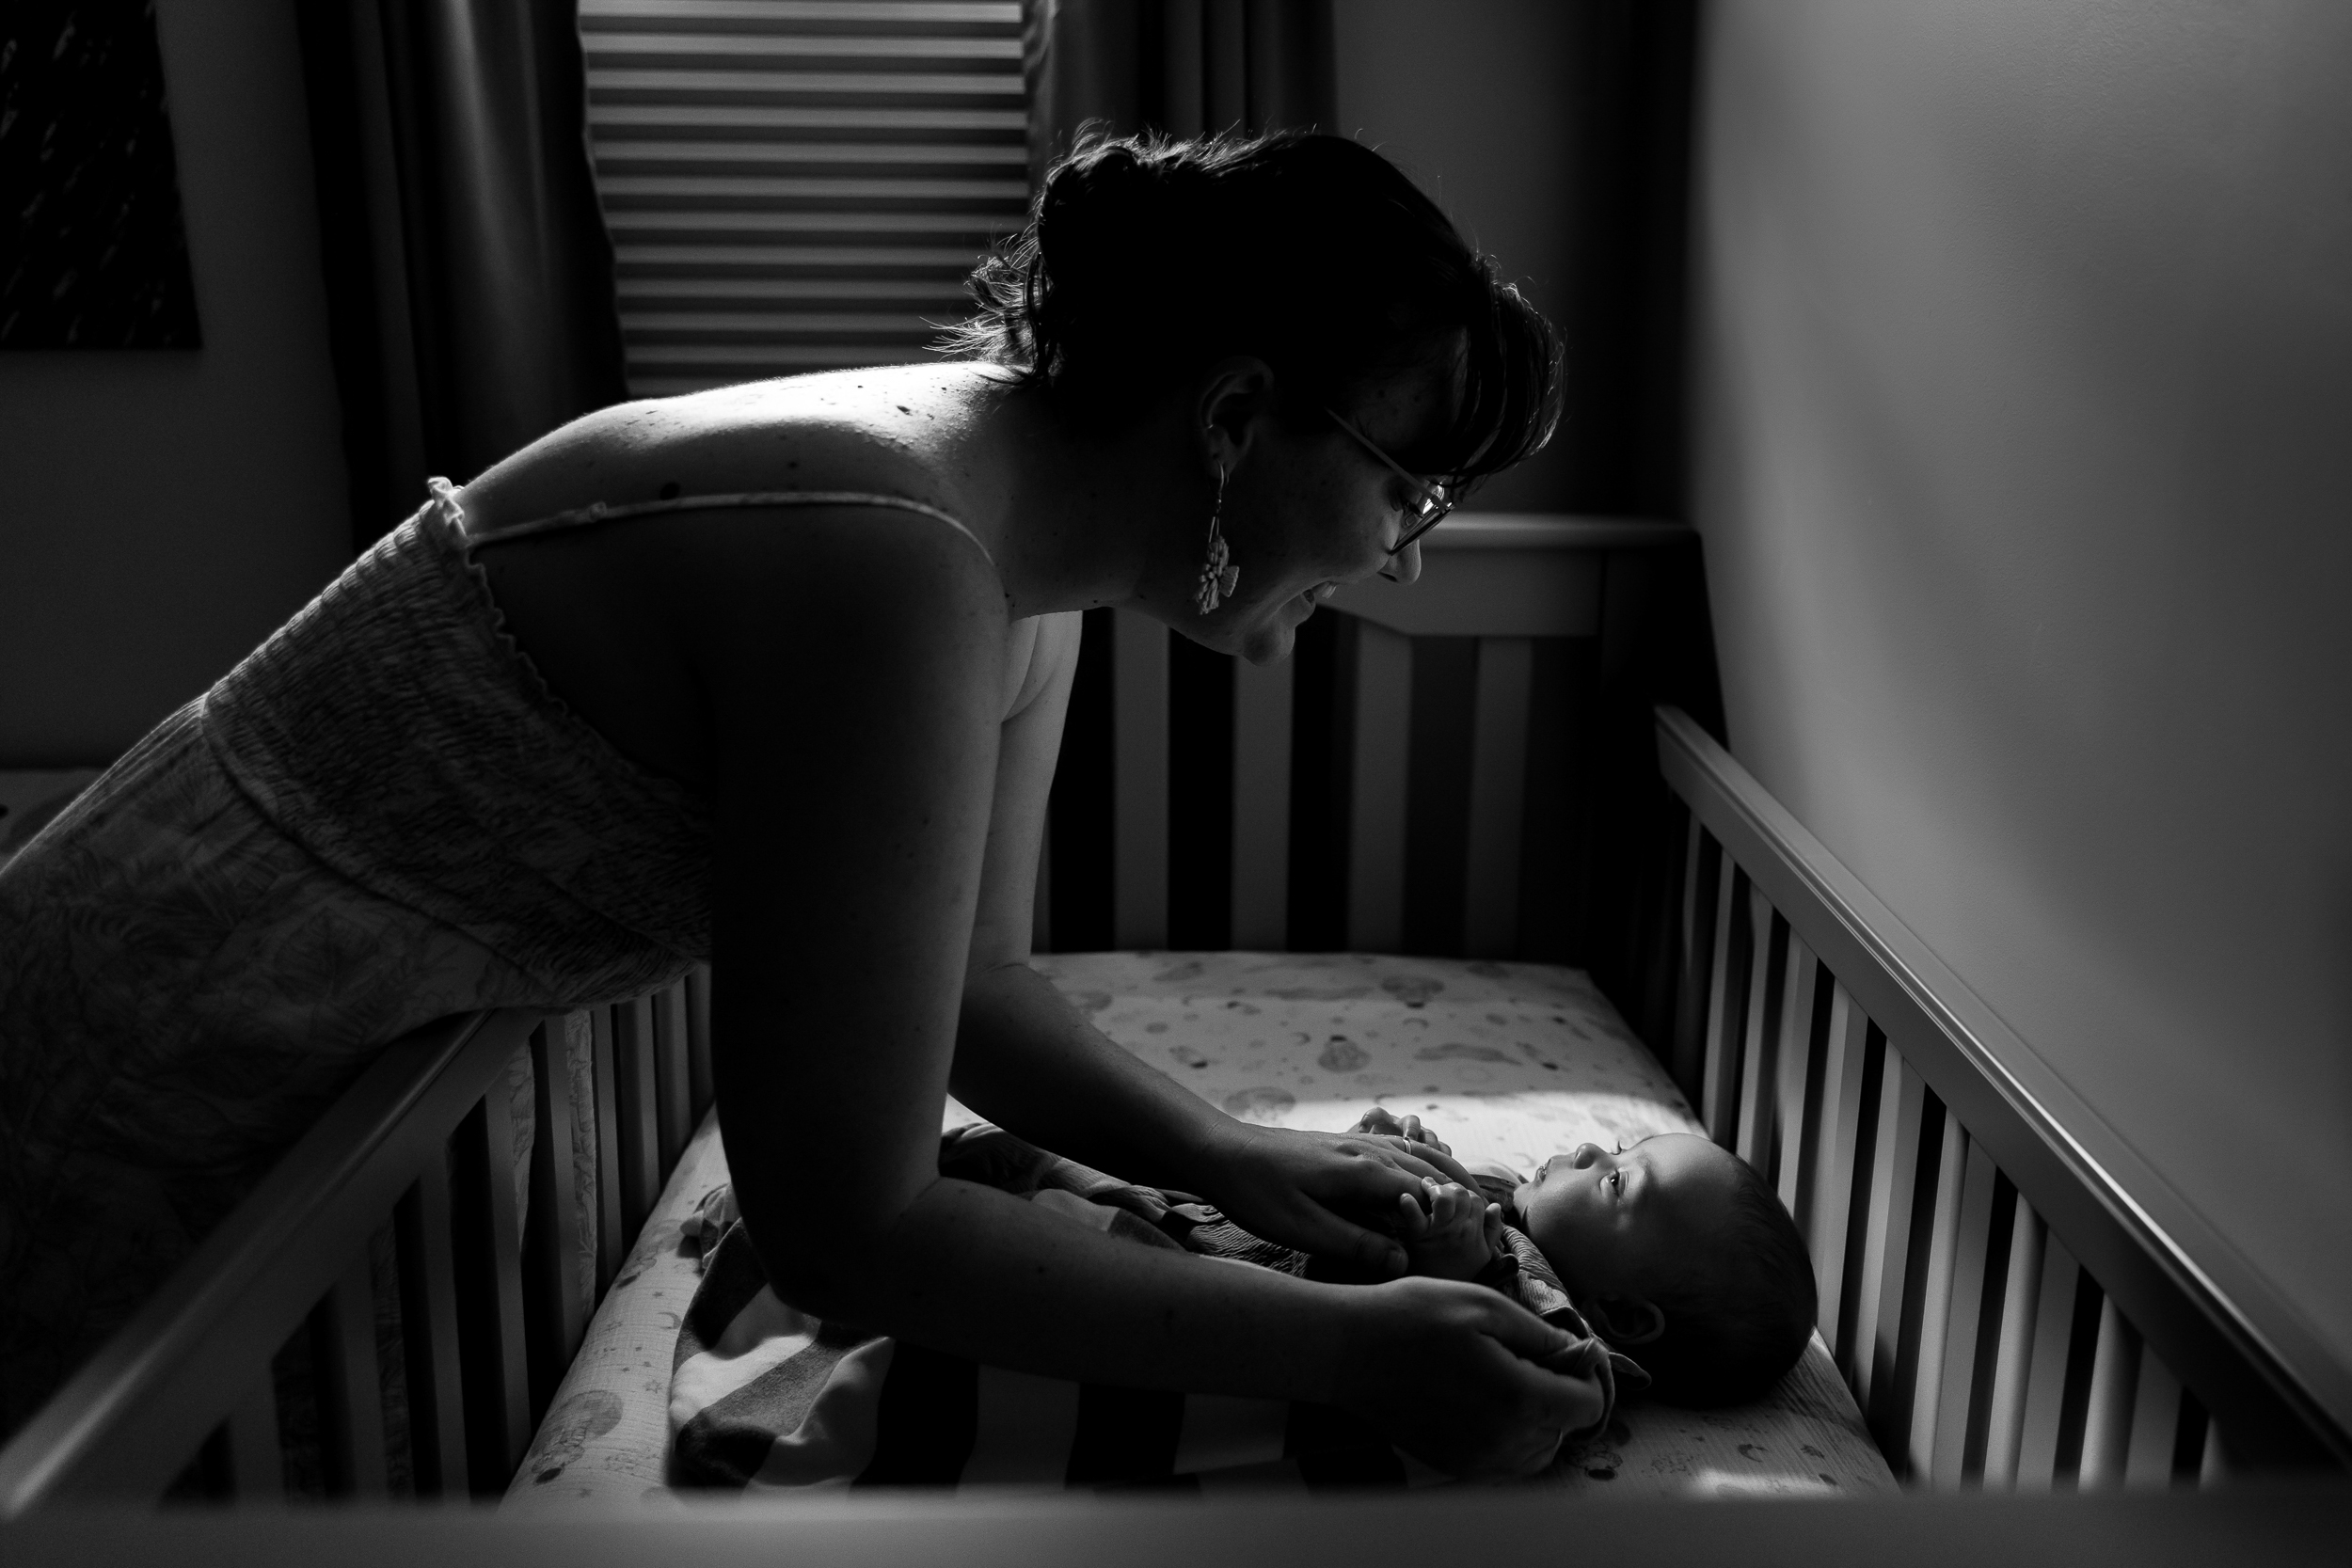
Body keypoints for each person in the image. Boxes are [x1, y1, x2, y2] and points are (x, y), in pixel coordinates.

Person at [0, 128, 1584, 1473]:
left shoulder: (1014, 571)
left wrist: (1227, 1151)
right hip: (185, 1027)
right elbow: (848, 1224)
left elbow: (973, 988)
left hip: (329, 1026)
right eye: (1408, 483)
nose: (1406, 551)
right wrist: (1350, 1351)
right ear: (1236, 416)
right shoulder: (896, 563)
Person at [1364, 1111, 1817, 1406]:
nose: (1588, 1151)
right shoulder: (1511, 1193)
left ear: (1621, 1313)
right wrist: (1402, 1150)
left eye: (1616, 1182)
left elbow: (1461, 1373)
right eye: (1621, 1151)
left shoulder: (1552, 1325)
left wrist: (1452, 1270)